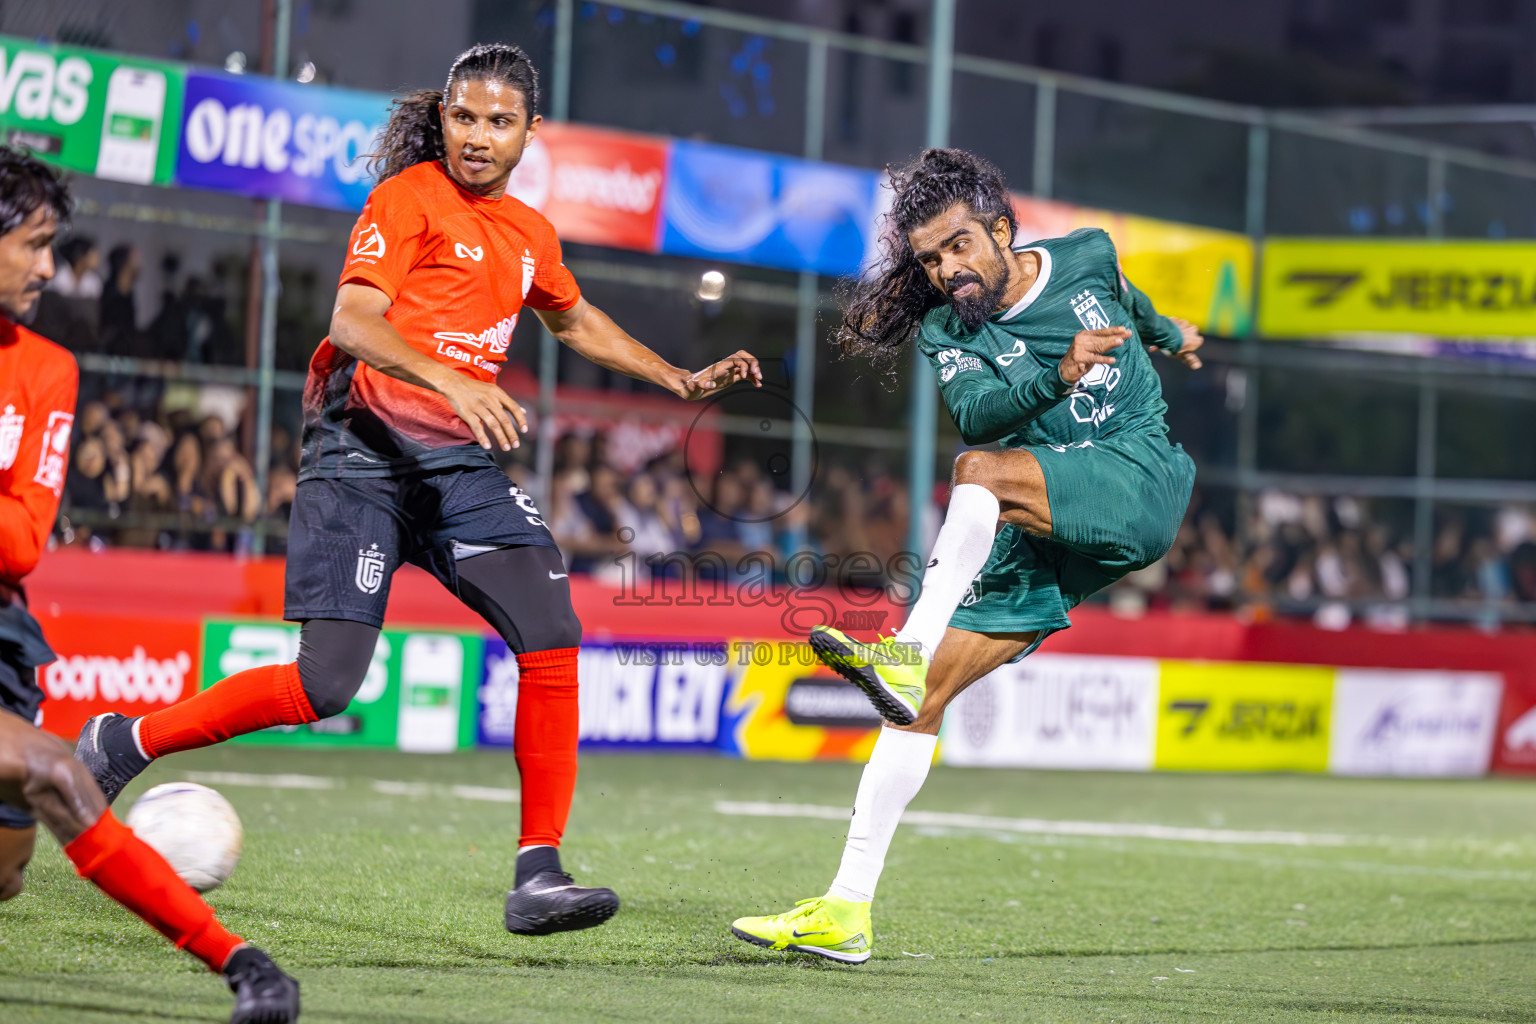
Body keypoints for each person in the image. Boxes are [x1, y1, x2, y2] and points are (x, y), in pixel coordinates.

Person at [76, 43, 761, 938]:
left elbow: (574, 318)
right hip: (358, 454)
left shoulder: (530, 235)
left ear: (530, 132)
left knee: (551, 627)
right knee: (325, 686)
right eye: (464, 117)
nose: (478, 136)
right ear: (442, 117)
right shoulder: (407, 200)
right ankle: (123, 741)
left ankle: (538, 872)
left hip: (454, 464)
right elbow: (353, 320)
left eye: (499, 121)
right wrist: (454, 380)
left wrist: (676, 378)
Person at [731, 148, 1202, 962]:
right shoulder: (948, 332)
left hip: (1140, 474)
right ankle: (847, 911)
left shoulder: (1087, 252)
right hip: (1046, 520)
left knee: (980, 478)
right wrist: (1058, 375)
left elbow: (1129, 297)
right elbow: (980, 416)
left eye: (958, 246)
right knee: (916, 704)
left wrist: (1168, 334)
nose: (948, 270)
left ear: (1002, 231)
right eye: (930, 260)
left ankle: (905, 650)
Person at [0, 147, 300, 1023]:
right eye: (35, 245)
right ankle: (243, 966)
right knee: (55, 773)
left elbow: (23, 542)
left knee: (7, 876)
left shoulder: (47, 369)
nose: (50, 268)